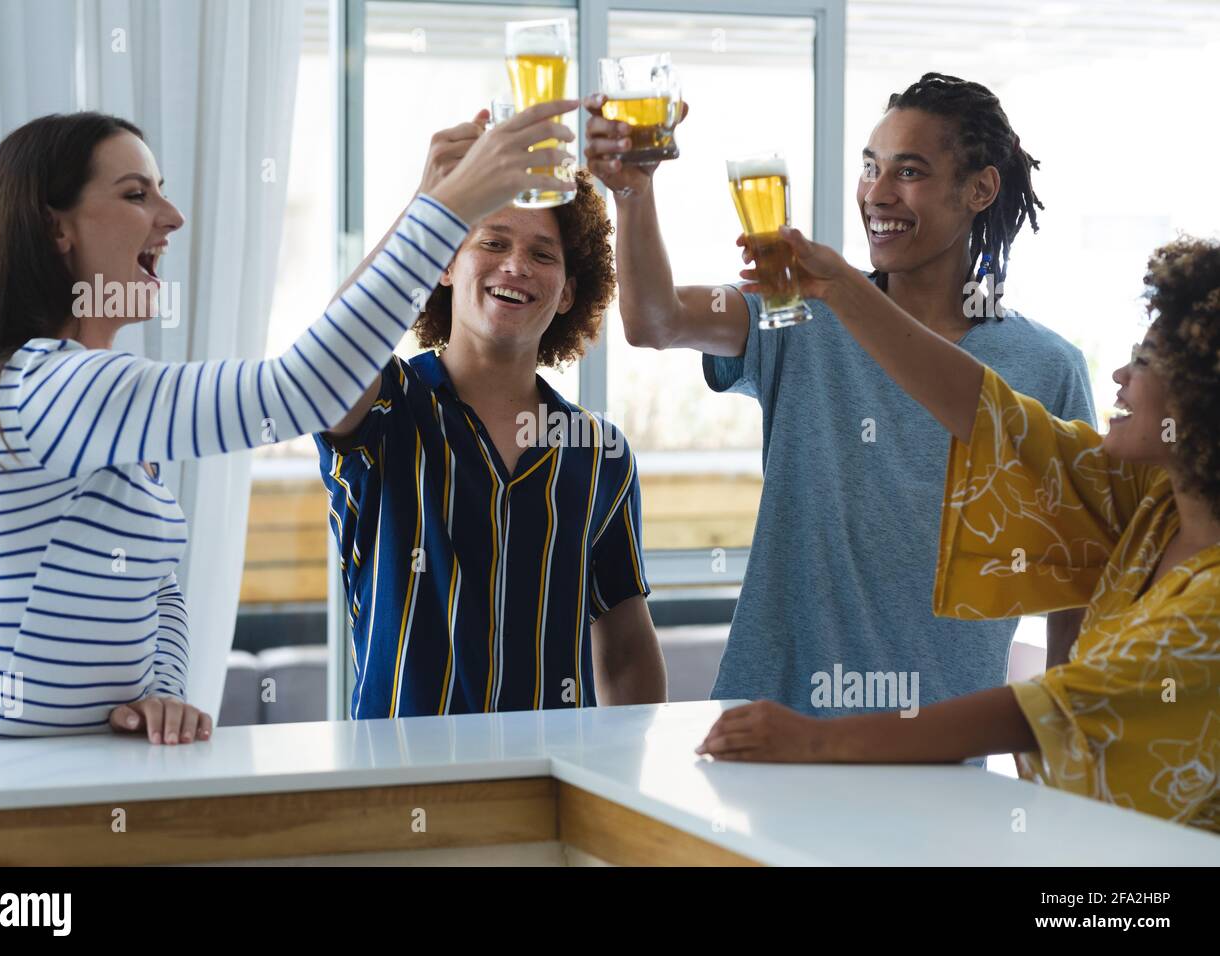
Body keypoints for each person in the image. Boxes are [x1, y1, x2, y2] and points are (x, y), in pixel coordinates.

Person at [0, 100, 578, 744]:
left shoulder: (84, 400)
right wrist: (447, 210)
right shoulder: (52, 389)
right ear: (56, 229)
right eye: (135, 195)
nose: (171, 217)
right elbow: (302, 388)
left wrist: (163, 694)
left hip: (74, 784)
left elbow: (158, 591)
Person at [585, 72, 1094, 727]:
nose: (877, 194)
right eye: (870, 167)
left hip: (935, 754)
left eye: (908, 172)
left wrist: (1062, 762)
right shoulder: (798, 312)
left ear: (979, 188)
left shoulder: (1047, 368)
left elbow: (1073, 593)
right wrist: (633, 195)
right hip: (765, 735)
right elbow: (654, 320)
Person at [698, 230, 1220, 832]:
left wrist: (814, 740)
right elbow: (990, 413)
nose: (1122, 374)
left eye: (1148, 361)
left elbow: (1050, 708)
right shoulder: (1153, 502)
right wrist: (840, 287)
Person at [316, 110, 666, 718]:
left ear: (567, 293)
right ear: (445, 265)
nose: (515, 266)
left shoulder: (598, 453)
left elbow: (627, 651)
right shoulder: (387, 407)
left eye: (542, 254)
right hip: (399, 788)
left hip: (548, 788)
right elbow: (327, 358)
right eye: (493, 242)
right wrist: (430, 202)